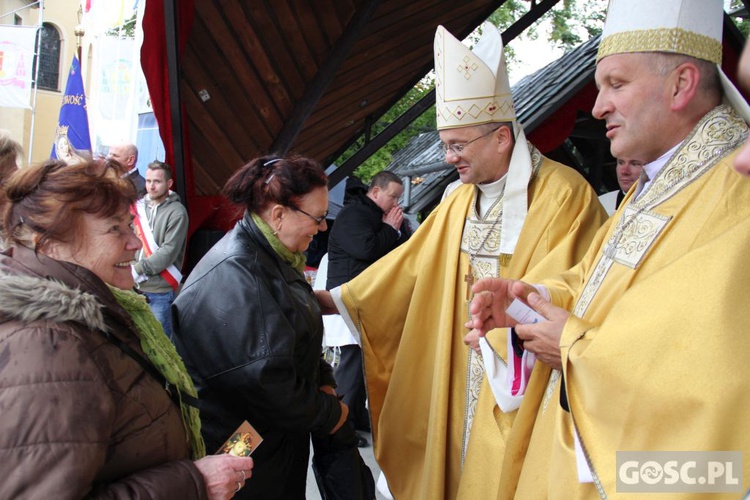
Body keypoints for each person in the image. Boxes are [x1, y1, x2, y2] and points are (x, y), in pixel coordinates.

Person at [468, 0, 750, 497]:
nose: (597, 108)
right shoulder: (657, 180)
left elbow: (716, 363)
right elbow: (595, 281)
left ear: (681, 84)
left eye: (615, 84)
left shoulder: (737, 185)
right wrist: (529, 301)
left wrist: (577, 348)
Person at [316, 23, 607, 499]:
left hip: (520, 382)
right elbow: (408, 269)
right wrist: (330, 301)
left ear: (500, 137)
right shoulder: (456, 199)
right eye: (445, 144)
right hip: (455, 374)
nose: (448, 158)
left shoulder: (563, 194)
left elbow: (574, 285)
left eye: (457, 145)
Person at [0, 158, 253, 498]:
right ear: (50, 246)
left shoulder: (93, 317)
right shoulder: (49, 344)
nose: (134, 243)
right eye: (115, 228)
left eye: (130, 225)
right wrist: (193, 483)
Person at [173, 155, 374, 500]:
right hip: (243, 443)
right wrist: (331, 411)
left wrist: (323, 381)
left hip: (265, 437)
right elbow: (269, 383)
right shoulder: (241, 273)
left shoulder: (271, 254)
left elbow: (293, 337)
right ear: (279, 214)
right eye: (319, 217)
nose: (323, 227)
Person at [325, 170, 409, 447]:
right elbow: (366, 249)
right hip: (347, 297)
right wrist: (389, 229)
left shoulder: (378, 217)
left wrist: (394, 230)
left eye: (399, 197)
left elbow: (395, 253)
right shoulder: (354, 215)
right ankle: (343, 425)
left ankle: (358, 416)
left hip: (366, 298)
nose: (397, 203)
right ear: (375, 192)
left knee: (363, 361)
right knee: (351, 362)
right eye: (393, 196)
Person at [132, 160, 189, 339]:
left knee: (162, 346)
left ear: (169, 183)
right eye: (148, 181)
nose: (151, 186)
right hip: (134, 286)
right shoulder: (138, 208)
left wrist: (137, 269)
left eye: (157, 181)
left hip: (159, 291)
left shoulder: (177, 212)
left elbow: (168, 252)